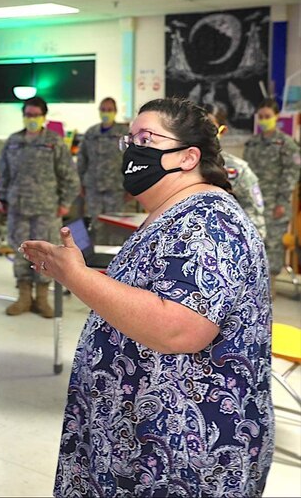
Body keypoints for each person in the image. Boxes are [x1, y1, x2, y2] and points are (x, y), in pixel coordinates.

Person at [22, 97, 274, 497]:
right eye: (130, 140)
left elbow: (180, 328)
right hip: (140, 444)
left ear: (188, 157)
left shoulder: (208, 221)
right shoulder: (176, 213)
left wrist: (79, 278)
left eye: (146, 138)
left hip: (181, 457)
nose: (133, 151)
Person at [0, 96, 80, 318]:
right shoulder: (13, 141)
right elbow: (2, 173)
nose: (31, 118)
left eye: (35, 114)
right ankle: (24, 297)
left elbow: (69, 176)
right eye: (28, 114)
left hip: (46, 210)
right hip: (18, 209)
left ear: (43, 116)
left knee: (45, 254)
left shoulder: (54, 142)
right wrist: (3, 198)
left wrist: (65, 204)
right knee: (20, 250)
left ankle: (42, 298)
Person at [243, 97, 301, 289]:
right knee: (252, 244)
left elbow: (292, 173)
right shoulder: (252, 144)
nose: (264, 119)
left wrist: (282, 202)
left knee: (273, 245)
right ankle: (253, 288)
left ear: (276, 117)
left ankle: (270, 288)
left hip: (276, 203)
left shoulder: (286, 144)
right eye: (261, 116)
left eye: (268, 116)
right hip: (254, 203)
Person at [206, 102, 267, 240]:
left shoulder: (239, 170)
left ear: (222, 130)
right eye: (199, 127)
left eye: (211, 126)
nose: (205, 132)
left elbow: (255, 219)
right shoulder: (180, 165)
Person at [76, 97, 130, 244]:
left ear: (115, 112)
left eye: (109, 110)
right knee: (95, 227)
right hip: (94, 189)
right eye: (103, 110)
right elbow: (82, 159)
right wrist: (80, 183)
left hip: (116, 190)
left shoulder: (124, 134)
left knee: (116, 228)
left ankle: (115, 262)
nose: (106, 113)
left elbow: (133, 160)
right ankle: (95, 262)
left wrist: (132, 188)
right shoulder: (91, 133)